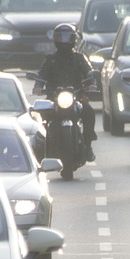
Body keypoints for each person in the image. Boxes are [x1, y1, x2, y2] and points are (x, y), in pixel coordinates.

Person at [36, 23, 97, 161]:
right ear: (56, 39)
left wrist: (92, 84)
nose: (64, 41)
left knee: (88, 112)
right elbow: (41, 74)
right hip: (54, 98)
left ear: (73, 39)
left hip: (76, 97)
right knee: (41, 116)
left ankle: (87, 145)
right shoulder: (50, 59)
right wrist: (38, 86)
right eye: (60, 37)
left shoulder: (79, 58)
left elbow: (89, 73)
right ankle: (42, 149)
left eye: (66, 37)